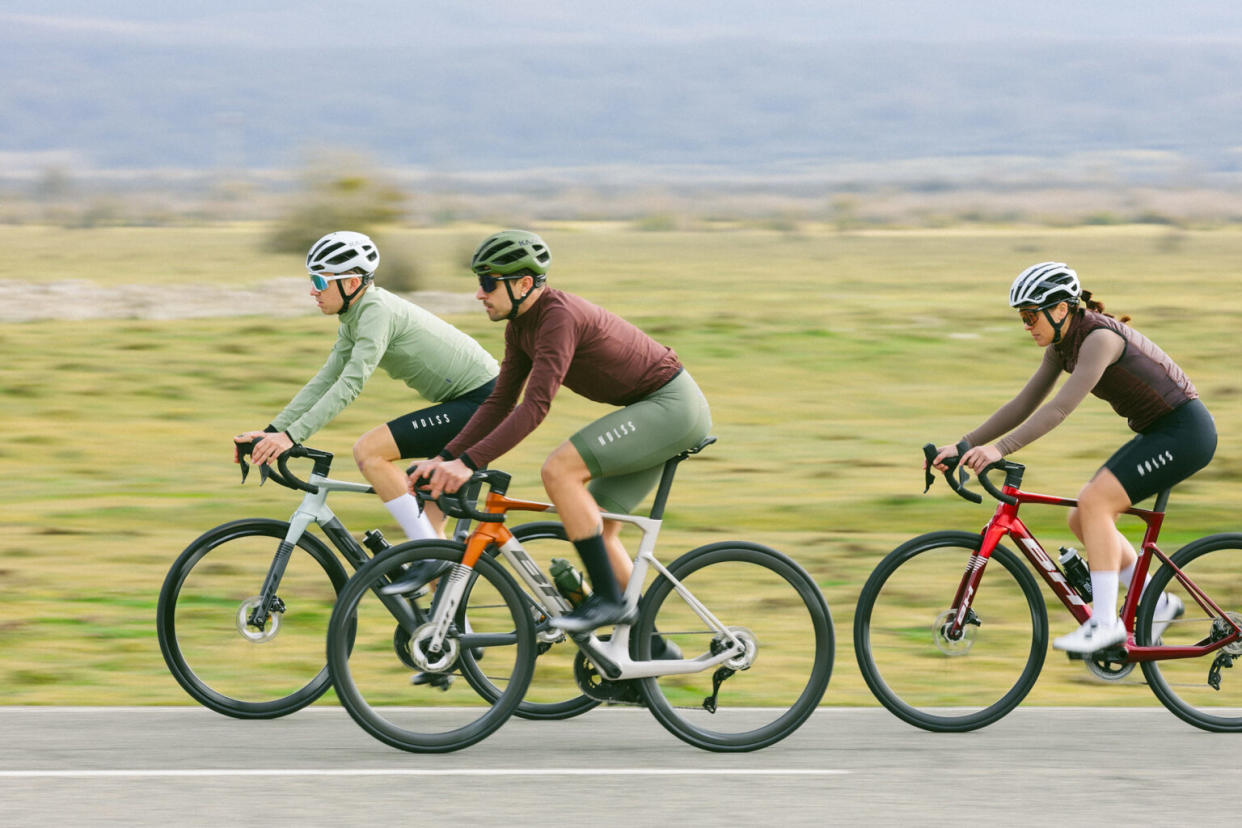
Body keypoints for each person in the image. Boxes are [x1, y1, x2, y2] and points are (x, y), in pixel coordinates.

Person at [410, 229, 712, 639]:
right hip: (652, 408)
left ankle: (607, 600)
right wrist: (446, 458)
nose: (480, 294)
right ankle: (649, 651)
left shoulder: (558, 317)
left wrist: (468, 463)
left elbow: (535, 408)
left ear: (523, 284)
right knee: (599, 527)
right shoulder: (520, 328)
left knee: (559, 472)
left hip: (671, 407)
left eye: (487, 283)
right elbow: (499, 404)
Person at [930, 261, 1216, 653]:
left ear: (1061, 309)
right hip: (1162, 433)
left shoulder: (1098, 339)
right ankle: (1158, 602)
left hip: (1185, 434)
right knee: (1081, 516)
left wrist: (999, 449)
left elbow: (1059, 409)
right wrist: (963, 445)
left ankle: (1104, 623)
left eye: (1031, 315)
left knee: (1096, 502)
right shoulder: (1062, 345)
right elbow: (1025, 403)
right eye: (1022, 318)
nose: (1027, 325)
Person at [235, 230, 499, 544]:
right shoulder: (354, 316)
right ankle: (431, 568)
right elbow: (326, 379)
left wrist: (291, 437)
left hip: (483, 403)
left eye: (320, 281)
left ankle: (418, 557)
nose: (312, 291)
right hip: (468, 402)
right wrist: (273, 430)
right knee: (432, 542)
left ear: (351, 283)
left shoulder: (376, 311)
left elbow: (350, 384)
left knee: (369, 451)